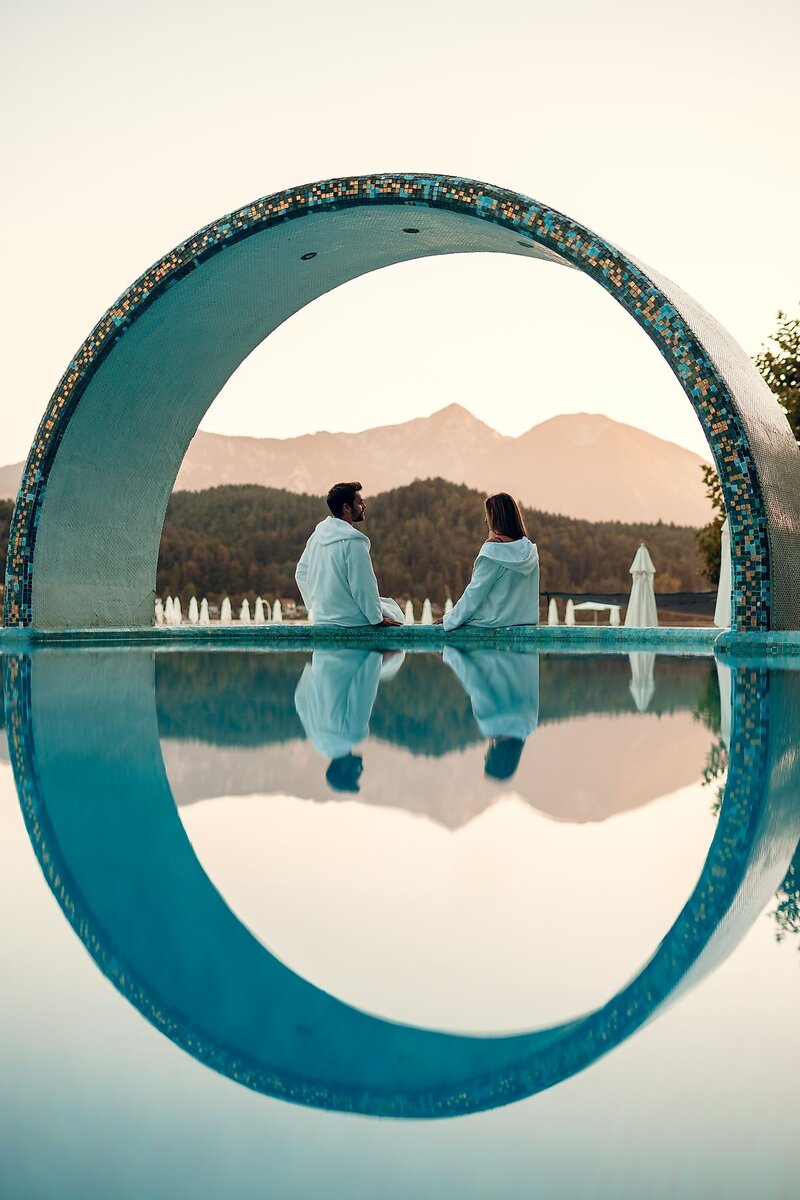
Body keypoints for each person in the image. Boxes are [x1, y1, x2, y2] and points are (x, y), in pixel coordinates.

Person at [295, 481, 403, 627]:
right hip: (350, 620)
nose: (364, 506)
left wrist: (317, 606)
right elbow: (363, 586)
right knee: (395, 612)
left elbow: (301, 573)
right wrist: (377, 619)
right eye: (360, 503)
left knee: (387, 606)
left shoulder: (316, 536)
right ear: (346, 507)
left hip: (322, 618)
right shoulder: (354, 541)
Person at [441, 493, 539, 631]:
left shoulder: (493, 550)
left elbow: (474, 594)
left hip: (492, 625)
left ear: (495, 517)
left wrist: (449, 619)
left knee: (451, 651)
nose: (485, 520)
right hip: (526, 625)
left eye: (487, 514)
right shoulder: (530, 550)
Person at [443, 647, 539, 781]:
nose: (485, 756)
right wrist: (449, 655)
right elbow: (474, 684)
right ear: (494, 756)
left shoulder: (530, 724)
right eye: (486, 759)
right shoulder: (490, 724)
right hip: (486, 650)